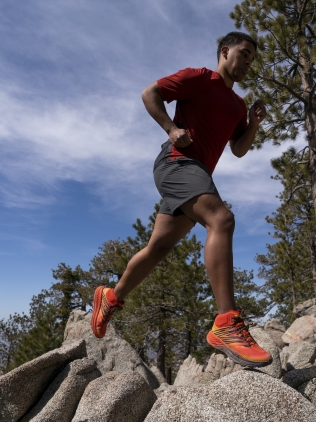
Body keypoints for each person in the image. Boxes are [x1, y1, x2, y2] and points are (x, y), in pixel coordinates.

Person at [91, 32, 272, 368]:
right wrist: (171, 128)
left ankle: (110, 297)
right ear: (224, 51)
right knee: (222, 219)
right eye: (244, 54)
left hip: (196, 174)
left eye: (252, 58)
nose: (248, 62)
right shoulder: (201, 78)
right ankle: (226, 323)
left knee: (158, 248)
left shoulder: (238, 105)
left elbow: (239, 149)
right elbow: (151, 94)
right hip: (177, 163)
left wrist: (253, 124)